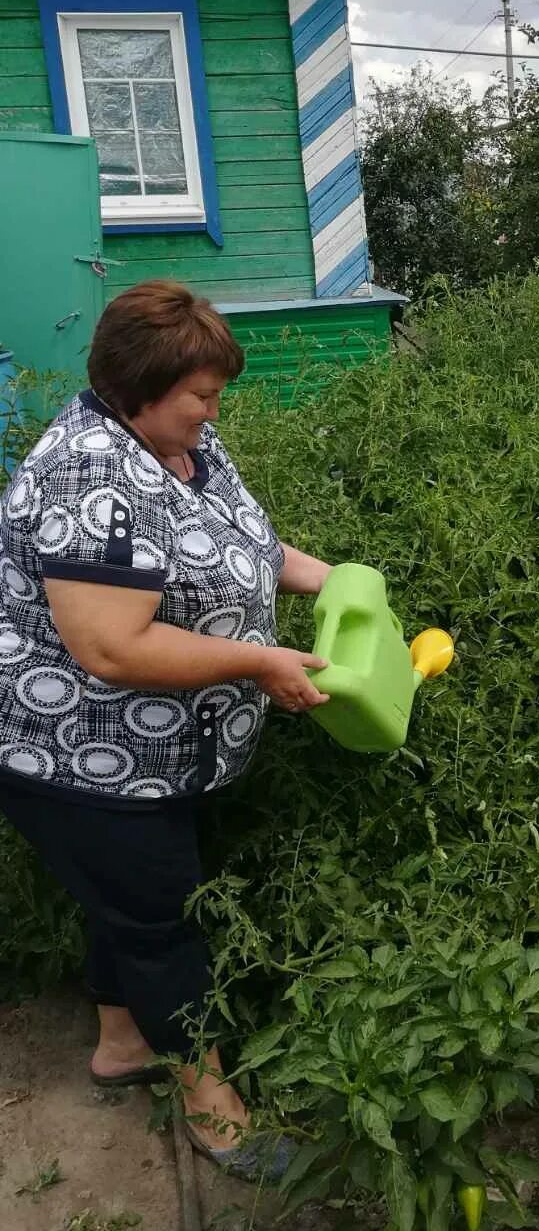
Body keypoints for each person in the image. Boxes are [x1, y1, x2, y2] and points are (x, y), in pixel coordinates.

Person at [0, 281, 333, 1177]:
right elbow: (111, 647)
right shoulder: (86, 473)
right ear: (137, 388)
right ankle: (211, 1106)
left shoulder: (183, 439)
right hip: (79, 755)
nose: (213, 410)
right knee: (161, 922)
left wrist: (335, 582)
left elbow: (252, 544)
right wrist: (261, 662)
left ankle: (121, 1045)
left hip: (159, 753)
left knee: (131, 900)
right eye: (201, 394)